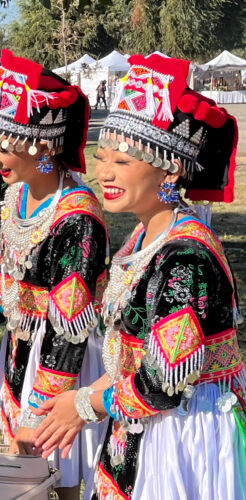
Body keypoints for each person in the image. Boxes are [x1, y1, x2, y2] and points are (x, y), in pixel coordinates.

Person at [32, 53, 246, 500]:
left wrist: (87, 405)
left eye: (123, 163)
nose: (103, 173)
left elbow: (165, 383)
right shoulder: (142, 237)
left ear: (169, 170)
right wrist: (87, 397)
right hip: (140, 421)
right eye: (101, 157)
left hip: (180, 436)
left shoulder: (184, 257)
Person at [0, 50, 109, 499]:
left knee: (57, 472)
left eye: (1, 146)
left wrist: (38, 411)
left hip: (64, 362)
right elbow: (10, 270)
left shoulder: (77, 219)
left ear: (40, 146)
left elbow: (70, 330)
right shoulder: (17, 196)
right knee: (22, 475)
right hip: (22, 343)